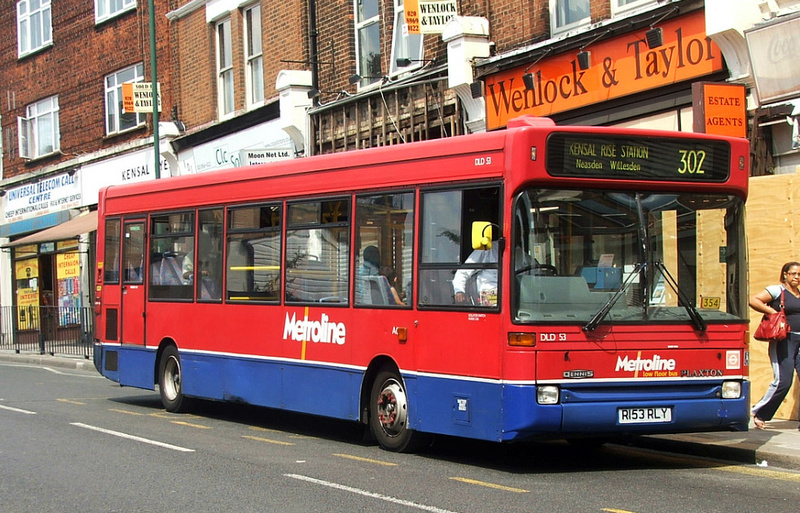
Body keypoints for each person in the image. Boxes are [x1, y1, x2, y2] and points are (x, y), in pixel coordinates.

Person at [749, 261, 800, 430]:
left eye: (799, 274)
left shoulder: (799, 293)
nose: (797, 277)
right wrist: (774, 312)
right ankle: (760, 412)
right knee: (783, 381)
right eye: (793, 274)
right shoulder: (777, 290)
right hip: (784, 340)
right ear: (785, 274)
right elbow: (754, 300)